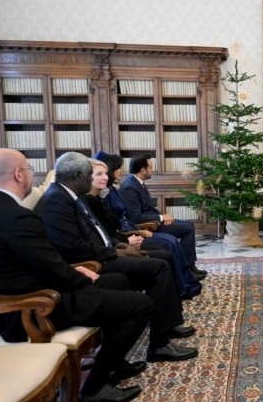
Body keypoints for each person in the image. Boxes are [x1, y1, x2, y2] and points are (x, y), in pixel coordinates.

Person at [0, 148, 153, 402]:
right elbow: (52, 270)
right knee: (141, 306)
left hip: (31, 294)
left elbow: (41, 262)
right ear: (18, 174)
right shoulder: (15, 216)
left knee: (118, 281)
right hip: (33, 308)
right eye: (29, 169)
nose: (31, 175)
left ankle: (114, 365)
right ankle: (94, 390)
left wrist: (78, 271)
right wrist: (82, 278)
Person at [35, 152, 199, 362]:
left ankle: (166, 327)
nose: (95, 179)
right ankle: (159, 344)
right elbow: (74, 249)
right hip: (92, 263)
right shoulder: (56, 201)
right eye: (91, 174)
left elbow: (99, 233)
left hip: (103, 253)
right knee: (159, 266)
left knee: (162, 259)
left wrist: (120, 244)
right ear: (77, 176)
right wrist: (117, 251)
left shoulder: (70, 196)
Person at [87, 155, 203, 300]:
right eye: (100, 174)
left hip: (135, 229)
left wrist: (160, 217)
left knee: (184, 228)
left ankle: (187, 273)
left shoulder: (114, 188)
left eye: (105, 173)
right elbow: (132, 218)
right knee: (171, 241)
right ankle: (184, 279)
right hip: (132, 231)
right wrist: (155, 221)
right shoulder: (127, 187)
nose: (121, 171)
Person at [119, 154, 206, 279]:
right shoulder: (130, 187)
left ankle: (189, 267)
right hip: (149, 226)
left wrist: (163, 216)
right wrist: (160, 218)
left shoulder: (137, 183)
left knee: (189, 224)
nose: (152, 170)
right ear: (143, 170)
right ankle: (187, 270)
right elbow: (136, 217)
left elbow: (148, 208)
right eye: (150, 167)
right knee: (187, 228)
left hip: (154, 220)